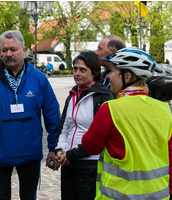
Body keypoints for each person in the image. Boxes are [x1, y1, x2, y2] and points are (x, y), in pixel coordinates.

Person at [57, 47, 172, 199]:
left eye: (113, 72)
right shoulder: (164, 109)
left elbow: (91, 145)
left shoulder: (111, 108)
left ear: (127, 76)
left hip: (121, 193)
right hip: (158, 193)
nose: (109, 76)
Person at [0, 30, 61, 200]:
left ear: (24, 50)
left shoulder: (39, 79)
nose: (8, 54)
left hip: (29, 153)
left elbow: (53, 116)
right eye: (4, 50)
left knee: (28, 196)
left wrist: (53, 148)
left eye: (13, 49)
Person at [55, 51, 114, 200]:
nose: (77, 73)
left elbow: (98, 137)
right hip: (68, 162)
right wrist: (60, 150)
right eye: (75, 69)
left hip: (89, 164)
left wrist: (71, 154)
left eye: (82, 70)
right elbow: (65, 127)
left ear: (94, 72)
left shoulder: (103, 97)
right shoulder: (72, 95)